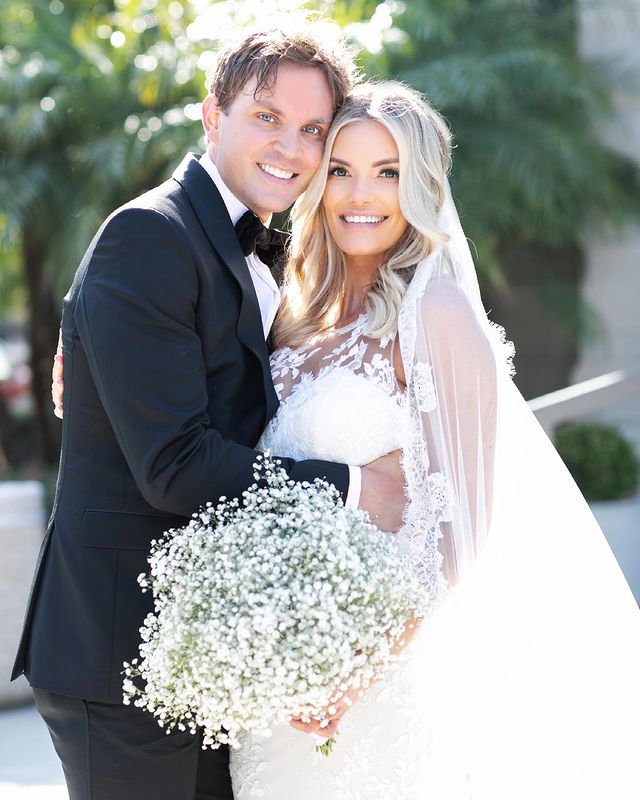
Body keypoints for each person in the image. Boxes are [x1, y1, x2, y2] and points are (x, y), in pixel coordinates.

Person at [11, 23, 408, 800]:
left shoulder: (247, 248)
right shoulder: (150, 235)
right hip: (119, 653)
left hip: (204, 648)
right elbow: (174, 466)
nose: (290, 148)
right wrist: (356, 487)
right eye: (267, 118)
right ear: (212, 116)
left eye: (311, 131)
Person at [227, 82, 640, 799]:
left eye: (387, 173)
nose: (362, 193)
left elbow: (463, 530)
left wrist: (356, 671)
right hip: (282, 665)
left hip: (381, 680)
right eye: (344, 170)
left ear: (419, 186)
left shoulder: (436, 310)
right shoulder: (293, 313)